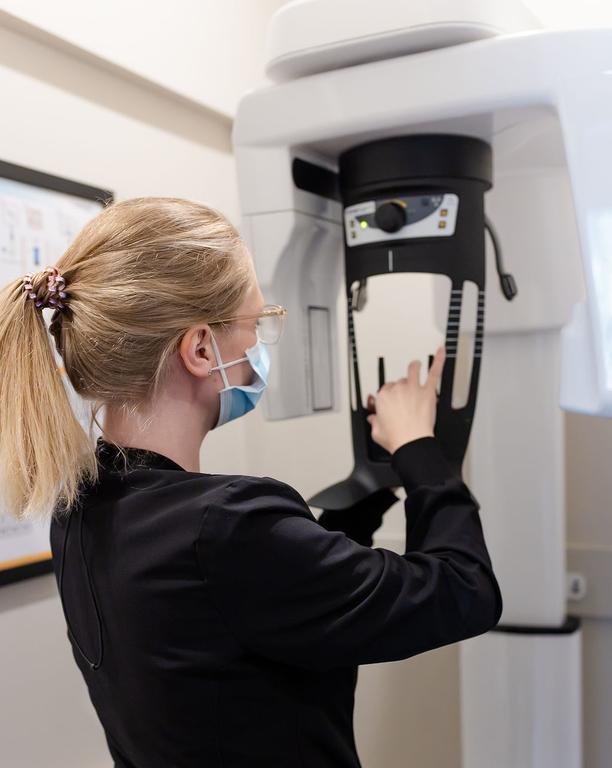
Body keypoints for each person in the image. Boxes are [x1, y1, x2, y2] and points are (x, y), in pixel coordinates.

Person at [0, 197, 502, 768]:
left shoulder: (81, 512)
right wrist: (420, 452)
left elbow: (268, 592)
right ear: (200, 348)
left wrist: (376, 483)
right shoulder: (227, 526)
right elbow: (465, 591)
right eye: (256, 324)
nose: (259, 346)